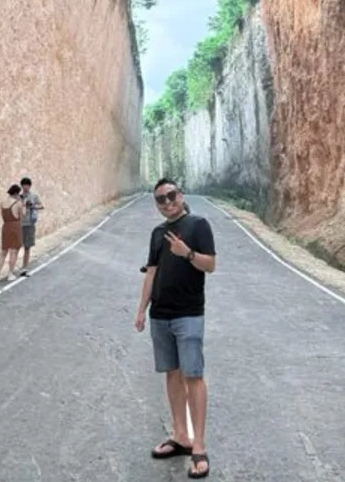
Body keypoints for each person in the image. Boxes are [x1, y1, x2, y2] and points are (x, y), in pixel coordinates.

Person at [134, 178, 216, 479]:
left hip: (189, 314)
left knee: (193, 376)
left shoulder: (198, 225)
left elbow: (210, 265)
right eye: (160, 199)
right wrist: (142, 310)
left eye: (171, 195)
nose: (167, 202)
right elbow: (151, 273)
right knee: (172, 373)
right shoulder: (157, 233)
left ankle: (199, 446)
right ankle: (181, 436)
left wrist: (187, 253)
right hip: (161, 315)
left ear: (180, 195)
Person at [0, 184, 24, 281]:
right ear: (16, 193)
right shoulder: (18, 204)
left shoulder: (2, 203)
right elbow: (22, 216)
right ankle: (10, 274)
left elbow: (3, 215)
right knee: (13, 251)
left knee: (3, 251)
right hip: (15, 227)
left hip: (6, 226)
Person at [19, 176, 44, 277]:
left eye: (27, 185)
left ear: (30, 186)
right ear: (22, 186)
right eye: (24, 185)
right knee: (16, 247)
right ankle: (13, 269)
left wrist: (32, 206)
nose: (25, 187)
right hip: (19, 224)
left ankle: (24, 268)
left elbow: (41, 206)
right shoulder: (19, 197)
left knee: (27, 247)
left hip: (29, 224)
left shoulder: (34, 196)